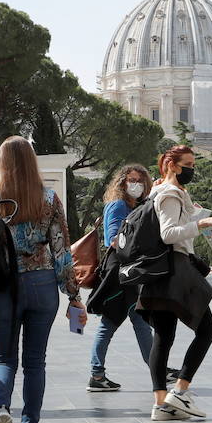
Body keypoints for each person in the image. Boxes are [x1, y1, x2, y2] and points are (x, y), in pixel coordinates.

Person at [0, 135, 82, 423]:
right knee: (35, 362)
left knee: (3, 359)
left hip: (2, 286)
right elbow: (62, 252)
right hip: (41, 285)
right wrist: (74, 296)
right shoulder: (48, 198)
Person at [144, 145, 212, 421]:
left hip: (160, 273)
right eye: (188, 164)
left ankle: (160, 405)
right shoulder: (169, 193)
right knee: (207, 330)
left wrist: (194, 215)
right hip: (175, 269)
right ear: (172, 165)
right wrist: (203, 224)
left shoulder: (159, 191)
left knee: (163, 336)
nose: (192, 169)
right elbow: (169, 234)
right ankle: (179, 390)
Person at [87, 164, 155, 392]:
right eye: (131, 180)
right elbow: (114, 240)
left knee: (141, 322)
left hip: (129, 273)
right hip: (119, 273)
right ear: (122, 183)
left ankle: (156, 367)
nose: (136, 184)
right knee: (110, 323)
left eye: (140, 181)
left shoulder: (135, 205)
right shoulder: (117, 205)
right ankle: (96, 375)